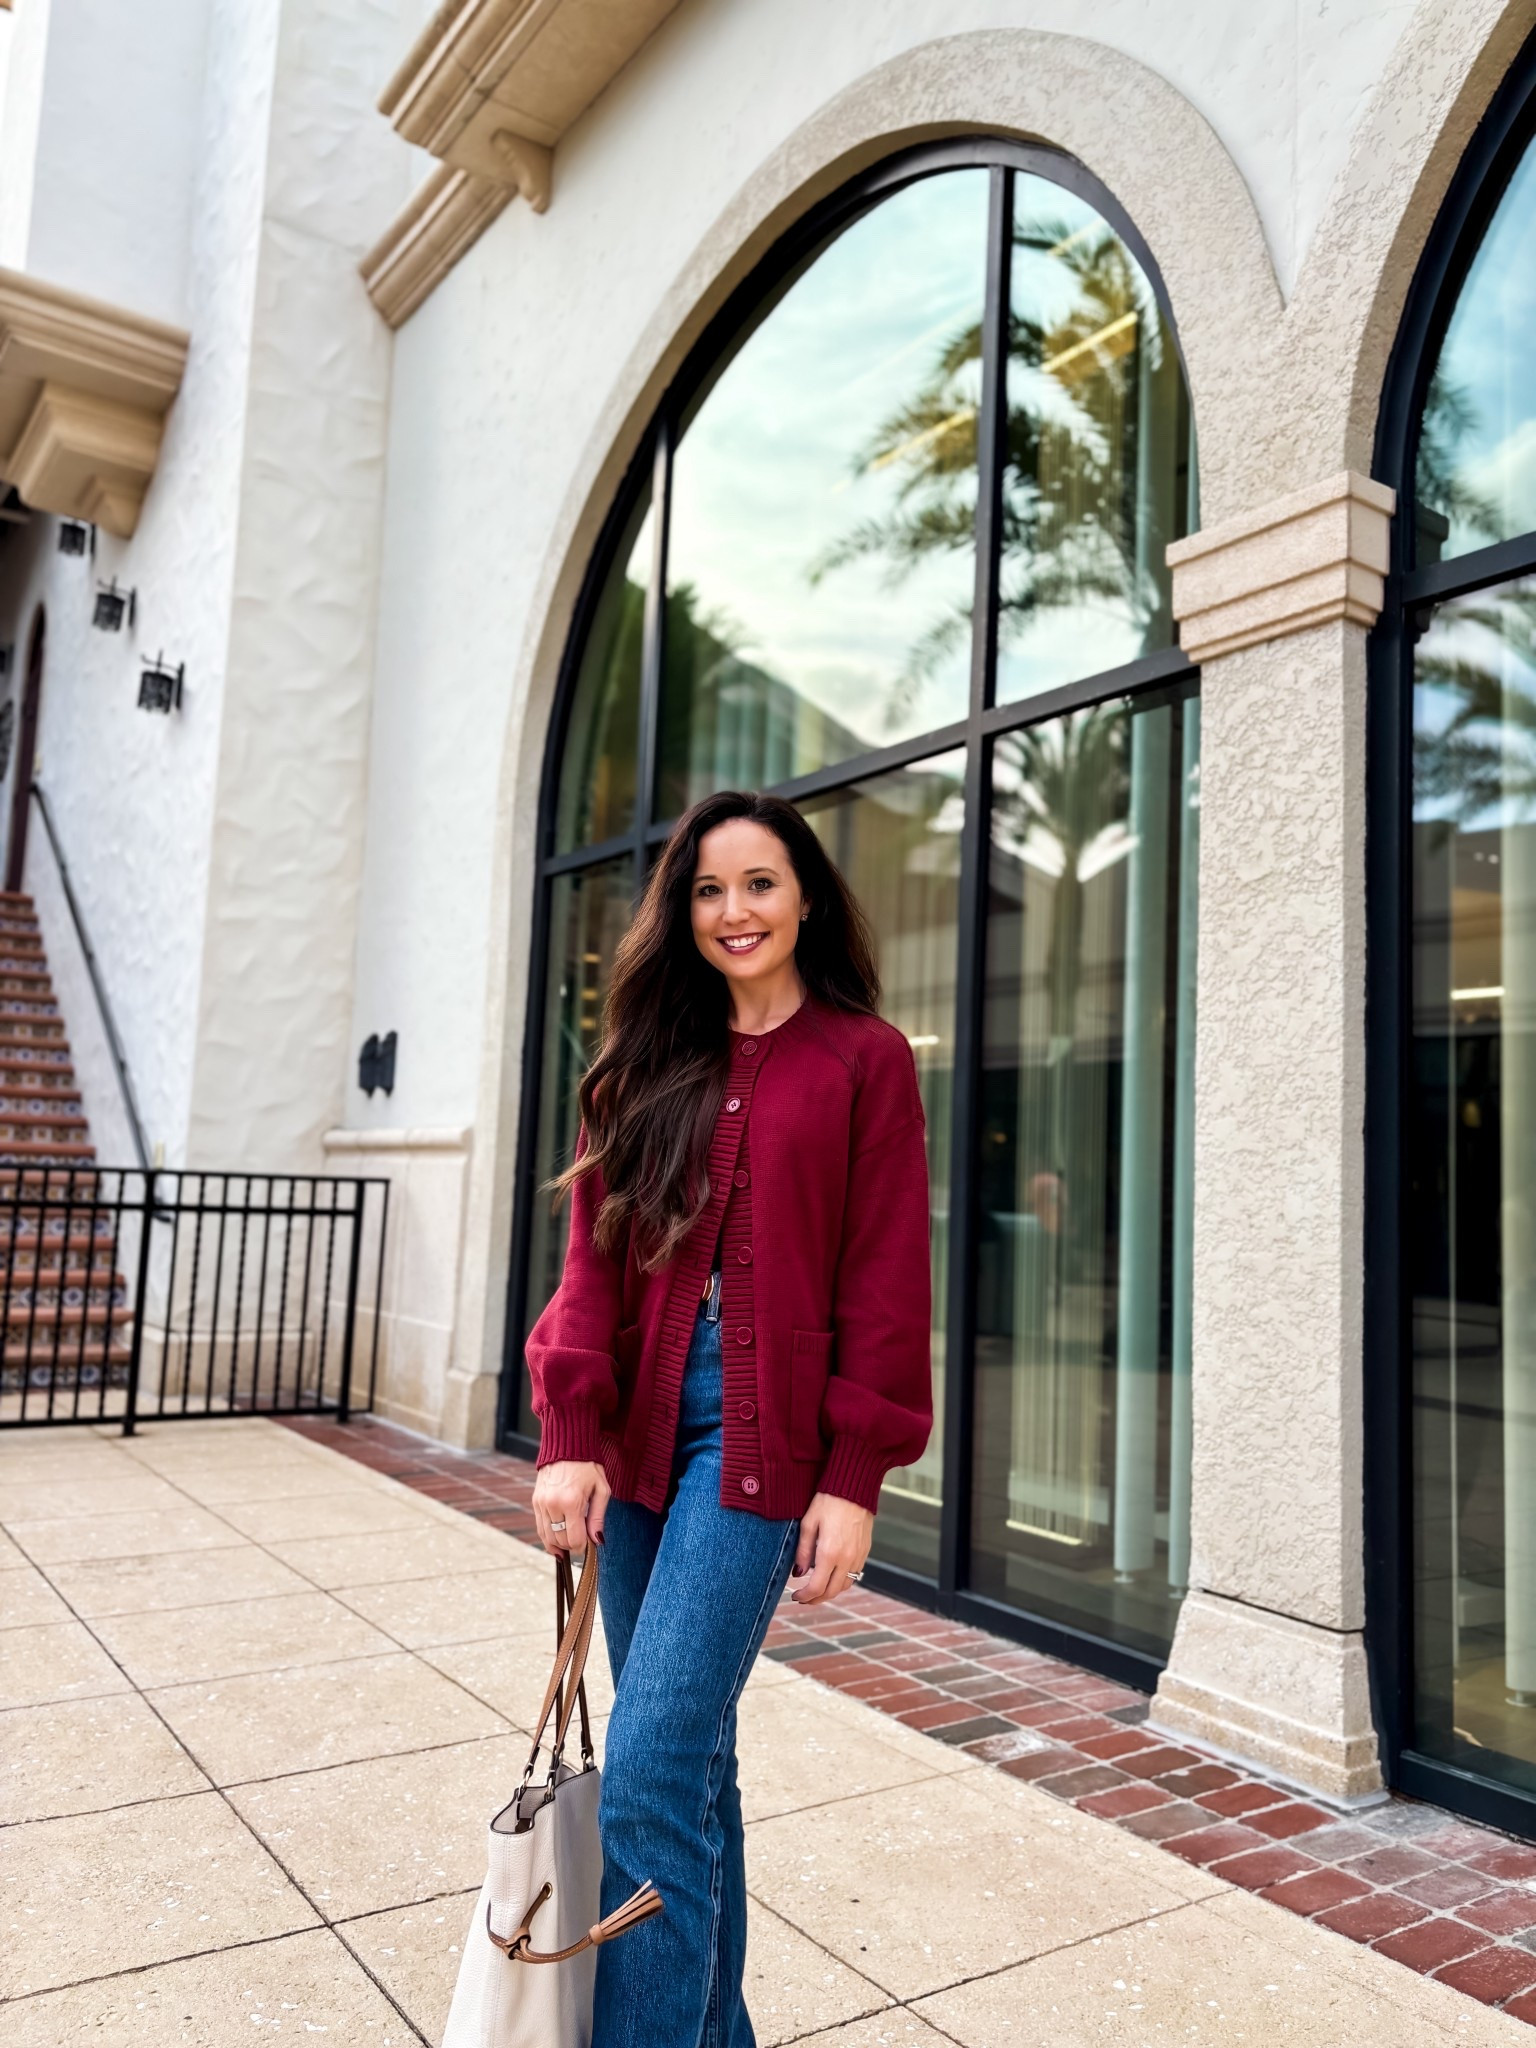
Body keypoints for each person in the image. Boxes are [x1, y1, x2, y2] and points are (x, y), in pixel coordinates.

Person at [527, 788, 933, 2048]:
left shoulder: (868, 1058)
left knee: (650, 1765)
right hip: (638, 1433)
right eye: (708, 889)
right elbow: (597, 1259)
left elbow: (885, 1275)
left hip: (758, 1444)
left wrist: (854, 1473)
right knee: (692, 1765)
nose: (734, 910)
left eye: (759, 883)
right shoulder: (647, 1059)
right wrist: (568, 1434)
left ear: (806, 894)